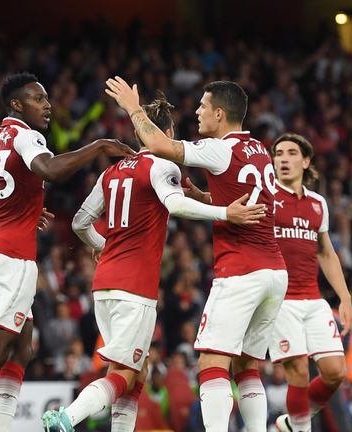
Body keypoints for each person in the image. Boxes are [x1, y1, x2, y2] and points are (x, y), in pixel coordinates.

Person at [42, 97, 266, 431]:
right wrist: (224, 213)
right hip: (135, 287)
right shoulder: (163, 166)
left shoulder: (112, 171)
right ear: (167, 131)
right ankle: (66, 418)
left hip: (104, 285)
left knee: (137, 371)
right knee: (125, 372)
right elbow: (175, 205)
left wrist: (103, 245)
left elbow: (79, 222)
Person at [0, 72, 134, 432]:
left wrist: (18, 209)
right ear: (16, 105)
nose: (47, 105)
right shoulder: (25, 136)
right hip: (11, 255)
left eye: (47, 98)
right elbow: (49, 168)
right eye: (38, 99)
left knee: (22, 345)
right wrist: (96, 147)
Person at [106, 77, 288, 431]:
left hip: (241, 272)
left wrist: (132, 107)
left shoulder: (220, 148)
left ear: (220, 114)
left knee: (211, 362)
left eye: (203, 106)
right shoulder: (259, 149)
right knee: (248, 367)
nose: (197, 112)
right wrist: (205, 196)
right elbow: (250, 200)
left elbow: (158, 144)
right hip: (273, 272)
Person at [266, 134, 351, 432]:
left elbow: (326, 253)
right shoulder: (266, 195)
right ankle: (300, 429)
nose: (283, 159)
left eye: (291, 153)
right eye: (278, 154)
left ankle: (291, 423)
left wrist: (344, 297)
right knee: (299, 371)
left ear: (305, 161)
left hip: (314, 300)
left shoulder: (318, 204)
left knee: (335, 372)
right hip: (280, 300)